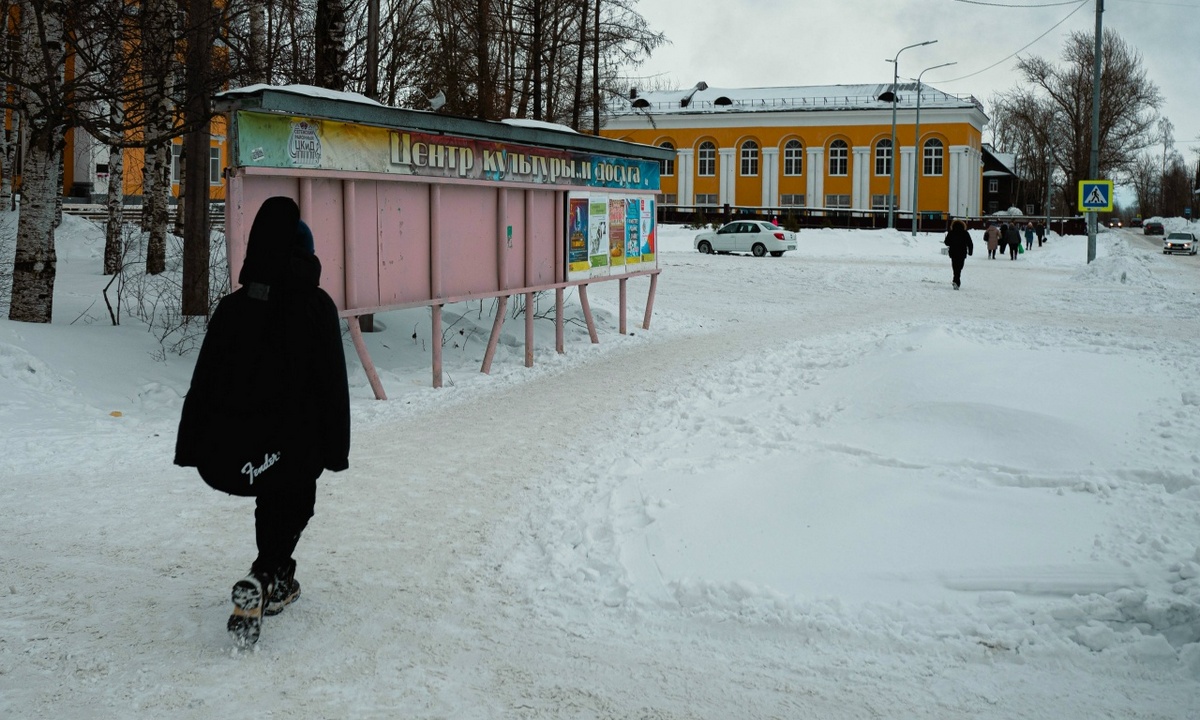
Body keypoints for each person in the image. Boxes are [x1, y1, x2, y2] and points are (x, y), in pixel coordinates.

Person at [175, 196, 351, 647]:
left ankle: (273, 578)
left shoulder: (234, 308)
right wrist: (336, 450)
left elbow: (205, 378)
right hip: (299, 439)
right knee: (296, 503)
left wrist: (191, 442)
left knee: (270, 502)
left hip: (246, 439)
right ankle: (266, 574)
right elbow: (333, 383)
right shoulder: (316, 306)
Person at [943, 219, 974, 290]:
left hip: (953, 252)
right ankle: (956, 281)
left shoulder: (951, 232)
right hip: (962, 252)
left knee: (955, 267)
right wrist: (970, 252)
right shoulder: (965, 233)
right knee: (960, 267)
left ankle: (955, 280)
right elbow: (970, 243)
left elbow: (947, 242)